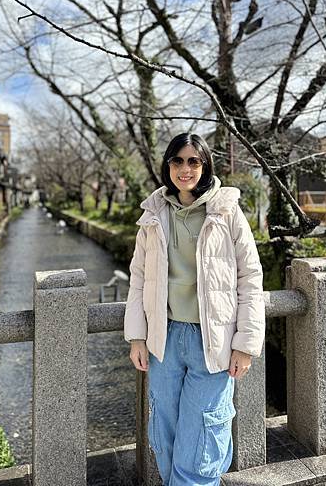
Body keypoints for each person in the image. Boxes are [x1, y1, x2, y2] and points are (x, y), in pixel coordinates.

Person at [124, 132, 265, 485]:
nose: (185, 169)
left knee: (203, 435)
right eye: (178, 161)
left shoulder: (226, 211)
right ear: (167, 165)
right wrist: (137, 337)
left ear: (205, 166)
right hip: (165, 339)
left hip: (212, 340)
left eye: (193, 161)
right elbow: (138, 279)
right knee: (166, 435)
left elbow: (250, 277)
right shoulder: (153, 213)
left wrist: (245, 344)